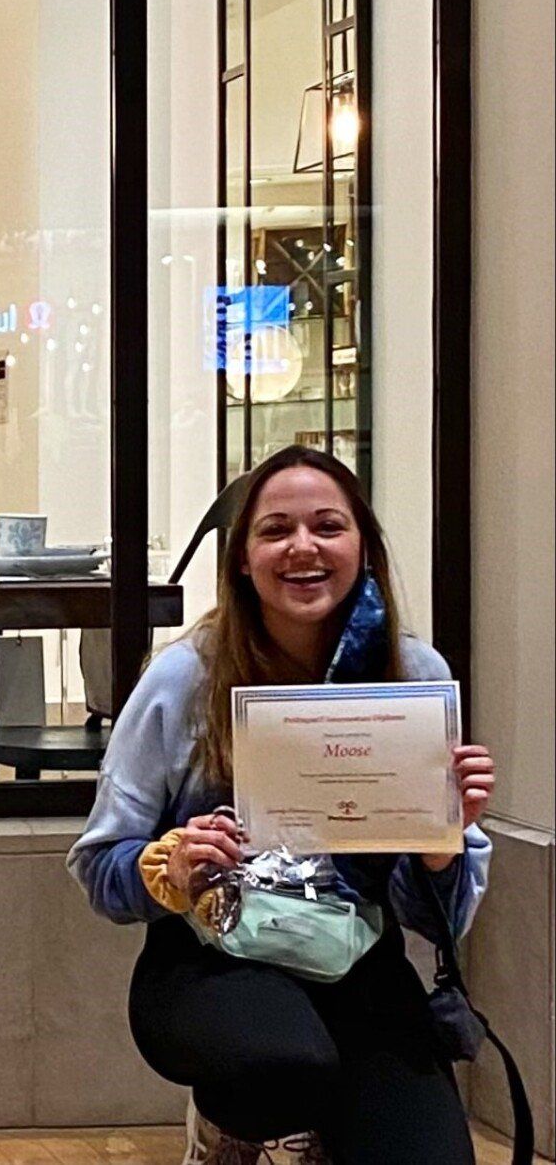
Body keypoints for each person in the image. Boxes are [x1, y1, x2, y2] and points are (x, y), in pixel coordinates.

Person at [69, 446, 494, 1165]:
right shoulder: (183, 678)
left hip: (356, 956)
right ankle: (231, 1128)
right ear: (241, 559)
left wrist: (439, 844)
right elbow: (98, 868)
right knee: (283, 1066)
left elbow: (439, 921)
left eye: (328, 526)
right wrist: (174, 862)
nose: (303, 548)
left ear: (364, 547)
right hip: (214, 961)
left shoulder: (412, 676)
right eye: (275, 531)